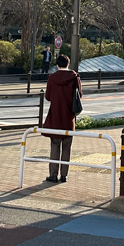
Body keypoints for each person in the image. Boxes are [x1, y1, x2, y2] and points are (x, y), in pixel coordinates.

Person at [43, 54, 81, 183]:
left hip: (55, 116)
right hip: (69, 117)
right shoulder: (75, 77)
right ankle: (64, 175)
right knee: (66, 147)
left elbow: (48, 96)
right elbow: (79, 95)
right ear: (68, 64)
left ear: (57, 65)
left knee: (55, 146)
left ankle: (53, 175)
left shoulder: (52, 78)